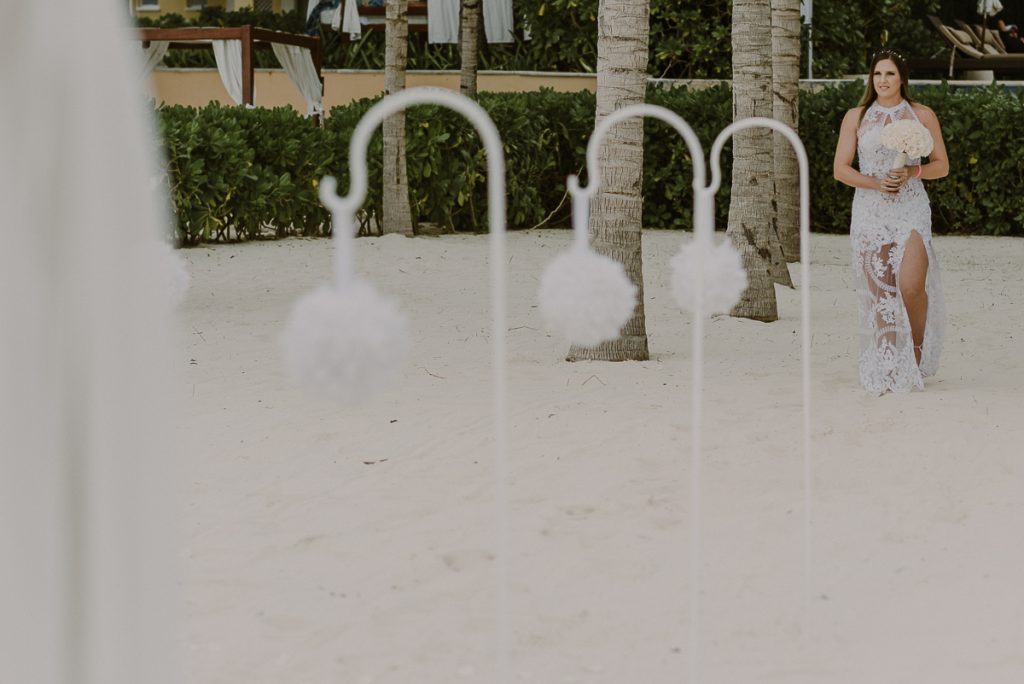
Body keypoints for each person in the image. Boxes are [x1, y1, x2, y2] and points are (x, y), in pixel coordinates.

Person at [832, 48, 949, 394]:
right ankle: (886, 364)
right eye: (877, 74)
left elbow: (942, 165)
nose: (883, 80)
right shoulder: (856, 117)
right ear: (871, 79)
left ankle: (916, 348)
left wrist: (913, 171)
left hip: (910, 208)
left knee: (911, 286)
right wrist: (876, 183)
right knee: (881, 291)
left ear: (902, 79)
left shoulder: (922, 115)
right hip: (871, 210)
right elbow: (840, 169)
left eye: (890, 74)